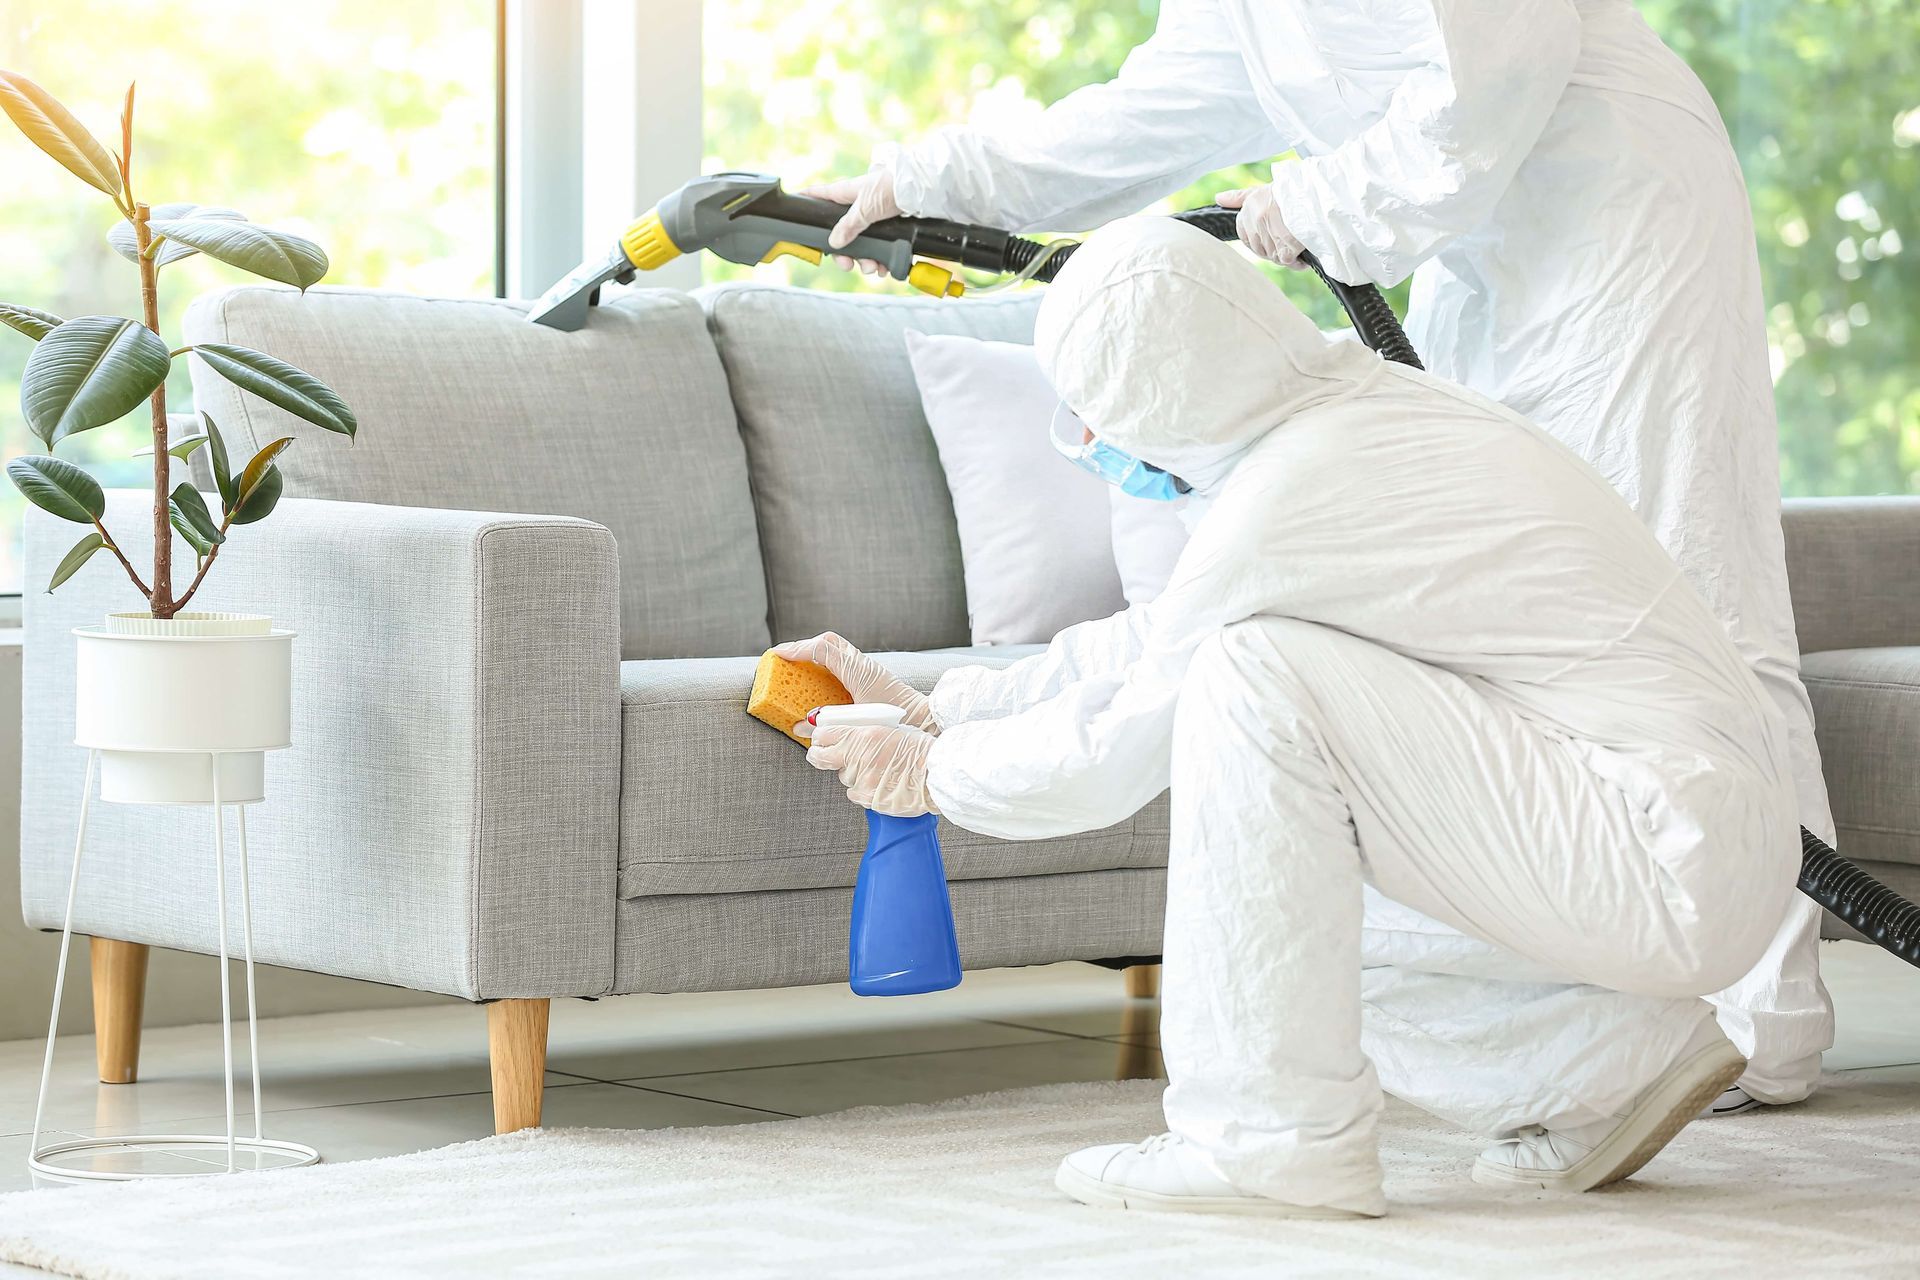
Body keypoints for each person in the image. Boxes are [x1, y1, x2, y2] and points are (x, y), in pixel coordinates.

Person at [806, 0, 1831, 1113]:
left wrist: (1320, 199)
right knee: (1487, 632)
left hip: (1621, 233)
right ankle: (1626, 1023)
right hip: (1479, 250)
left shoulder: (1298, 478)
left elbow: (1498, 62)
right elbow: (1150, 114)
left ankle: (1764, 1021)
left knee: (1687, 590)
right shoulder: (1313, 456)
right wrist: (924, 182)